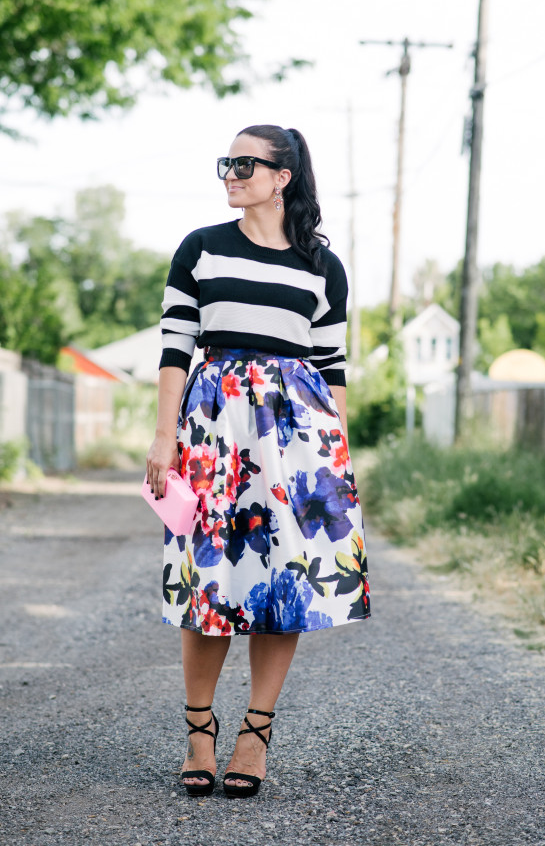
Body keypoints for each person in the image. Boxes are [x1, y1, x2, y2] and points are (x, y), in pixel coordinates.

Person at [146, 124, 371, 800]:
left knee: (285, 587)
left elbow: (331, 369)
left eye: (247, 163)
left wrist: (341, 460)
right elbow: (174, 350)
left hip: (299, 441)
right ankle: (198, 732)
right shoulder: (202, 249)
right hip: (214, 432)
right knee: (207, 581)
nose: (232, 172)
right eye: (228, 161)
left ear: (284, 176)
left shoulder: (322, 267)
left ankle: (256, 733)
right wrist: (164, 437)